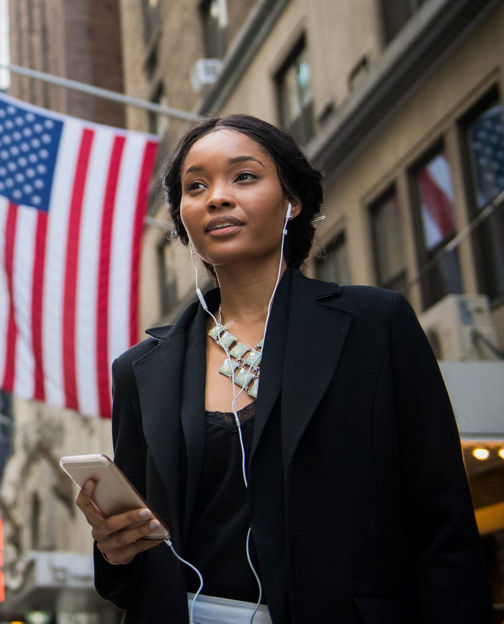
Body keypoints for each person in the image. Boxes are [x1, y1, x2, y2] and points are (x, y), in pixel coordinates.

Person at [74, 115, 491, 623]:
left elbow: (443, 522)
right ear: (182, 217)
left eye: (244, 177)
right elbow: (133, 571)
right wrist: (114, 549)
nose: (217, 197)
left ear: (291, 201)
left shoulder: (374, 325)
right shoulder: (141, 369)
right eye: (195, 186)